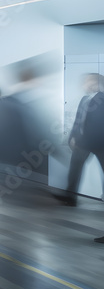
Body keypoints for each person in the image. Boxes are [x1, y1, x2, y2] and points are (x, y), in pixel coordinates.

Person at [55, 74, 104, 208]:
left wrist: (84, 140)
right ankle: (70, 198)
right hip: (82, 143)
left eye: (87, 81)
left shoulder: (102, 99)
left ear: (96, 83)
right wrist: (72, 137)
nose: (84, 84)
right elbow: (78, 121)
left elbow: (98, 124)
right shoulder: (84, 99)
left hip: (99, 144)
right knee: (74, 171)